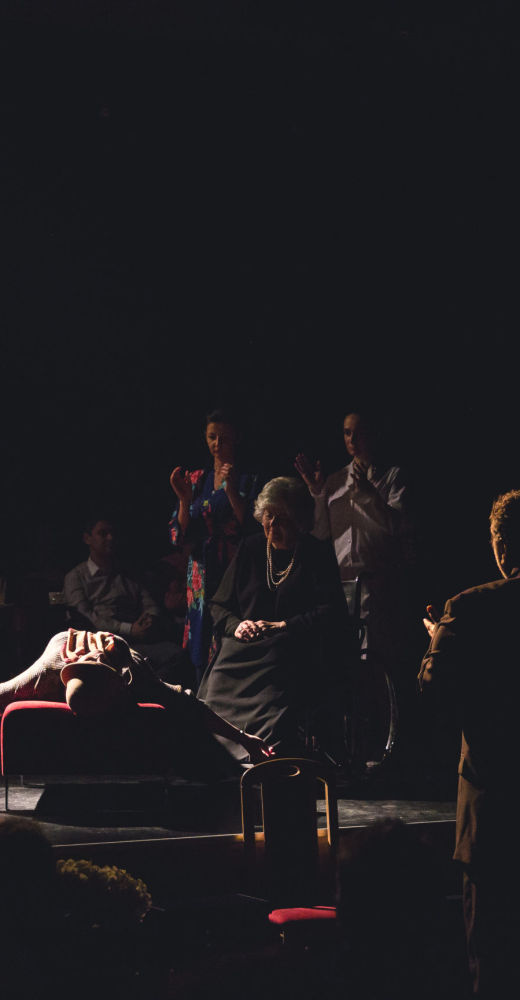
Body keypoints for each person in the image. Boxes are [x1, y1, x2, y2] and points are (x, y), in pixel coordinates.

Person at [418, 488, 520, 997]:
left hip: (494, 814)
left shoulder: (470, 607)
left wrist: (439, 640)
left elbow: (433, 689)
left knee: (494, 962)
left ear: (500, 545)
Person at [197, 476, 352, 761]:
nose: (273, 525)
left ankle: (258, 753)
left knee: (279, 670)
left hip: (291, 645)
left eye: (282, 518)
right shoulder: (251, 548)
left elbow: (332, 612)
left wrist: (283, 625)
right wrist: (237, 625)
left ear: (299, 520)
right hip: (242, 647)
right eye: (269, 516)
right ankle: (213, 752)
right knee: (220, 671)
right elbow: (218, 604)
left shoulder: (315, 553)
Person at [295, 410, 414, 767]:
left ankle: (381, 747)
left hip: (376, 584)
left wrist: (370, 495)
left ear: (372, 435)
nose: (352, 440)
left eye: (358, 433)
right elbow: (320, 533)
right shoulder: (334, 480)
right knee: (341, 665)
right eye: (347, 433)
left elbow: (397, 529)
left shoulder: (391, 477)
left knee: (374, 663)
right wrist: (317, 494)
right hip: (340, 585)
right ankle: (349, 748)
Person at [0, 628, 274, 780]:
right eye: (95, 662)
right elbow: (188, 703)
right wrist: (244, 739)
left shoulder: (131, 673)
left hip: (100, 649)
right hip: (87, 650)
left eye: (95, 662)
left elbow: (189, 703)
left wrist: (245, 739)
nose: (96, 653)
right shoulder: (49, 673)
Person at [169, 408, 262, 685]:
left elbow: (254, 528)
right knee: (201, 645)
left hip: (234, 570)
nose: (217, 444)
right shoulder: (197, 479)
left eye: (224, 438)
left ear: (236, 439)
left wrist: (232, 491)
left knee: (231, 637)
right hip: (201, 573)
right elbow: (179, 535)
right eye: (212, 437)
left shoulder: (249, 479)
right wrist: (184, 500)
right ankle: (201, 703)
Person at [64, 516, 192, 685]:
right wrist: (130, 629)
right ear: (87, 538)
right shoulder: (76, 577)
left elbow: (149, 603)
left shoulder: (127, 573)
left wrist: (149, 619)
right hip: (100, 646)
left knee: (177, 654)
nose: (110, 538)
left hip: (135, 642)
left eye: (112, 533)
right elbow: (86, 618)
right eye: (103, 533)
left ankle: (146, 692)